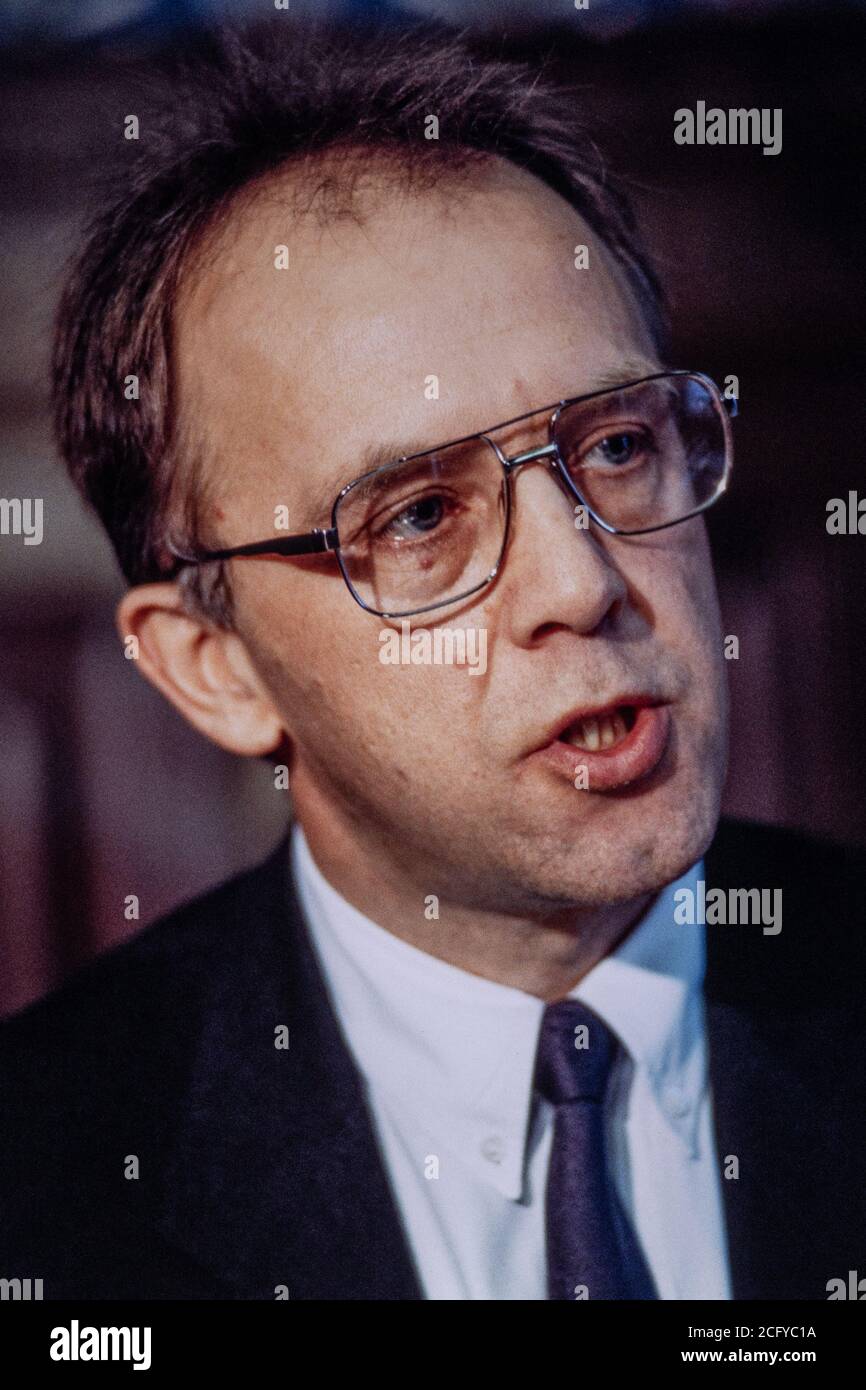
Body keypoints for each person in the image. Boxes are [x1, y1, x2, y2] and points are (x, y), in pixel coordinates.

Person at [1, 17, 863, 1301]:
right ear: (213, 669)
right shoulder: (43, 1190)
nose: (580, 583)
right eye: (415, 519)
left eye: (615, 448)